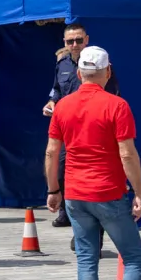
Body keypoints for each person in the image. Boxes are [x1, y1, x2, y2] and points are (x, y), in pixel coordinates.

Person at [45, 45, 141, 280]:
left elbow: (51, 151)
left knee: (87, 258)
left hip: (75, 192)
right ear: (107, 72)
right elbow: (127, 154)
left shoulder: (63, 106)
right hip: (108, 191)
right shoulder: (117, 105)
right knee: (133, 255)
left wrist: (53, 189)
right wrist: (139, 192)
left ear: (78, 73)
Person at [44, 23, 118, 229]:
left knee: (90, 169)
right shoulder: (63, 64)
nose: (74, 45)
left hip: (93, 127)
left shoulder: (100, 65)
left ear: (86, 39)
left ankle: (92, 223)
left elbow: (112, 94)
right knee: (59, 167)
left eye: (78, 40)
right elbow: (56, 90)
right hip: (68, 127)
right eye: (70, 41)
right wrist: (51, 103)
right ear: (64, 43)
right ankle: (64, 211)